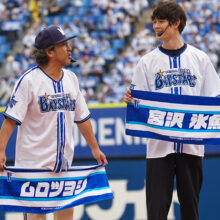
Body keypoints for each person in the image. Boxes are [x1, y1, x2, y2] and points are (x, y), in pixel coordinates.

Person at [123, 1, 220, 220]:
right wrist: (131, 99)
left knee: (190, 210)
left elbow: (214, 98)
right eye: (154, 22)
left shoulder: (200, 59)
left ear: (176, 23)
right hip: (159, 148)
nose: (156, 26)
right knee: (156, 211)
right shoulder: (147, 62)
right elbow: (138, 100)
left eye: (161, 22)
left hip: (192, 147)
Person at [0, 25, 108, 220]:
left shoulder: (71, 78)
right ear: (50, 51)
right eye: (63, 44)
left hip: (63, 166)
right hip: (32, 168)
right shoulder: (29, 81)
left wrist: (95, 148)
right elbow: (10, 121)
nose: (69, 49)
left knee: (66, 217)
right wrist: (0, 151)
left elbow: (82, 118)